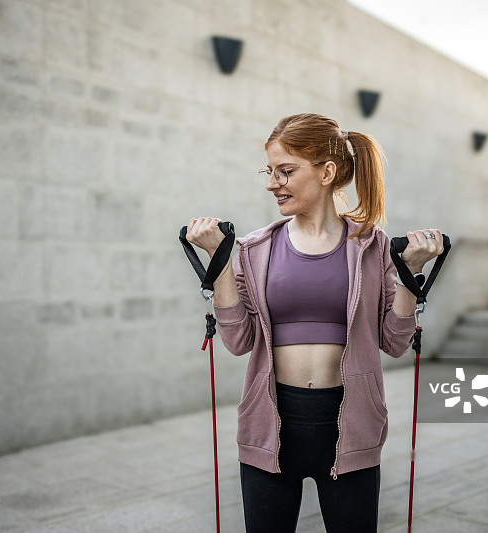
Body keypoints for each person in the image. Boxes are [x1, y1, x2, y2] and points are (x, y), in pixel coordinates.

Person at [186, 113, 444, 533]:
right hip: (270, 421)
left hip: (350, 423)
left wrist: (410, 274)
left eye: (286, 171)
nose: (272, 183)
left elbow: (395, 342)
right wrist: (220, 264)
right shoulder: (253, 249)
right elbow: (237, 340)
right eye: (269, 172)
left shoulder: (374, 247)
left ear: (326, 173)